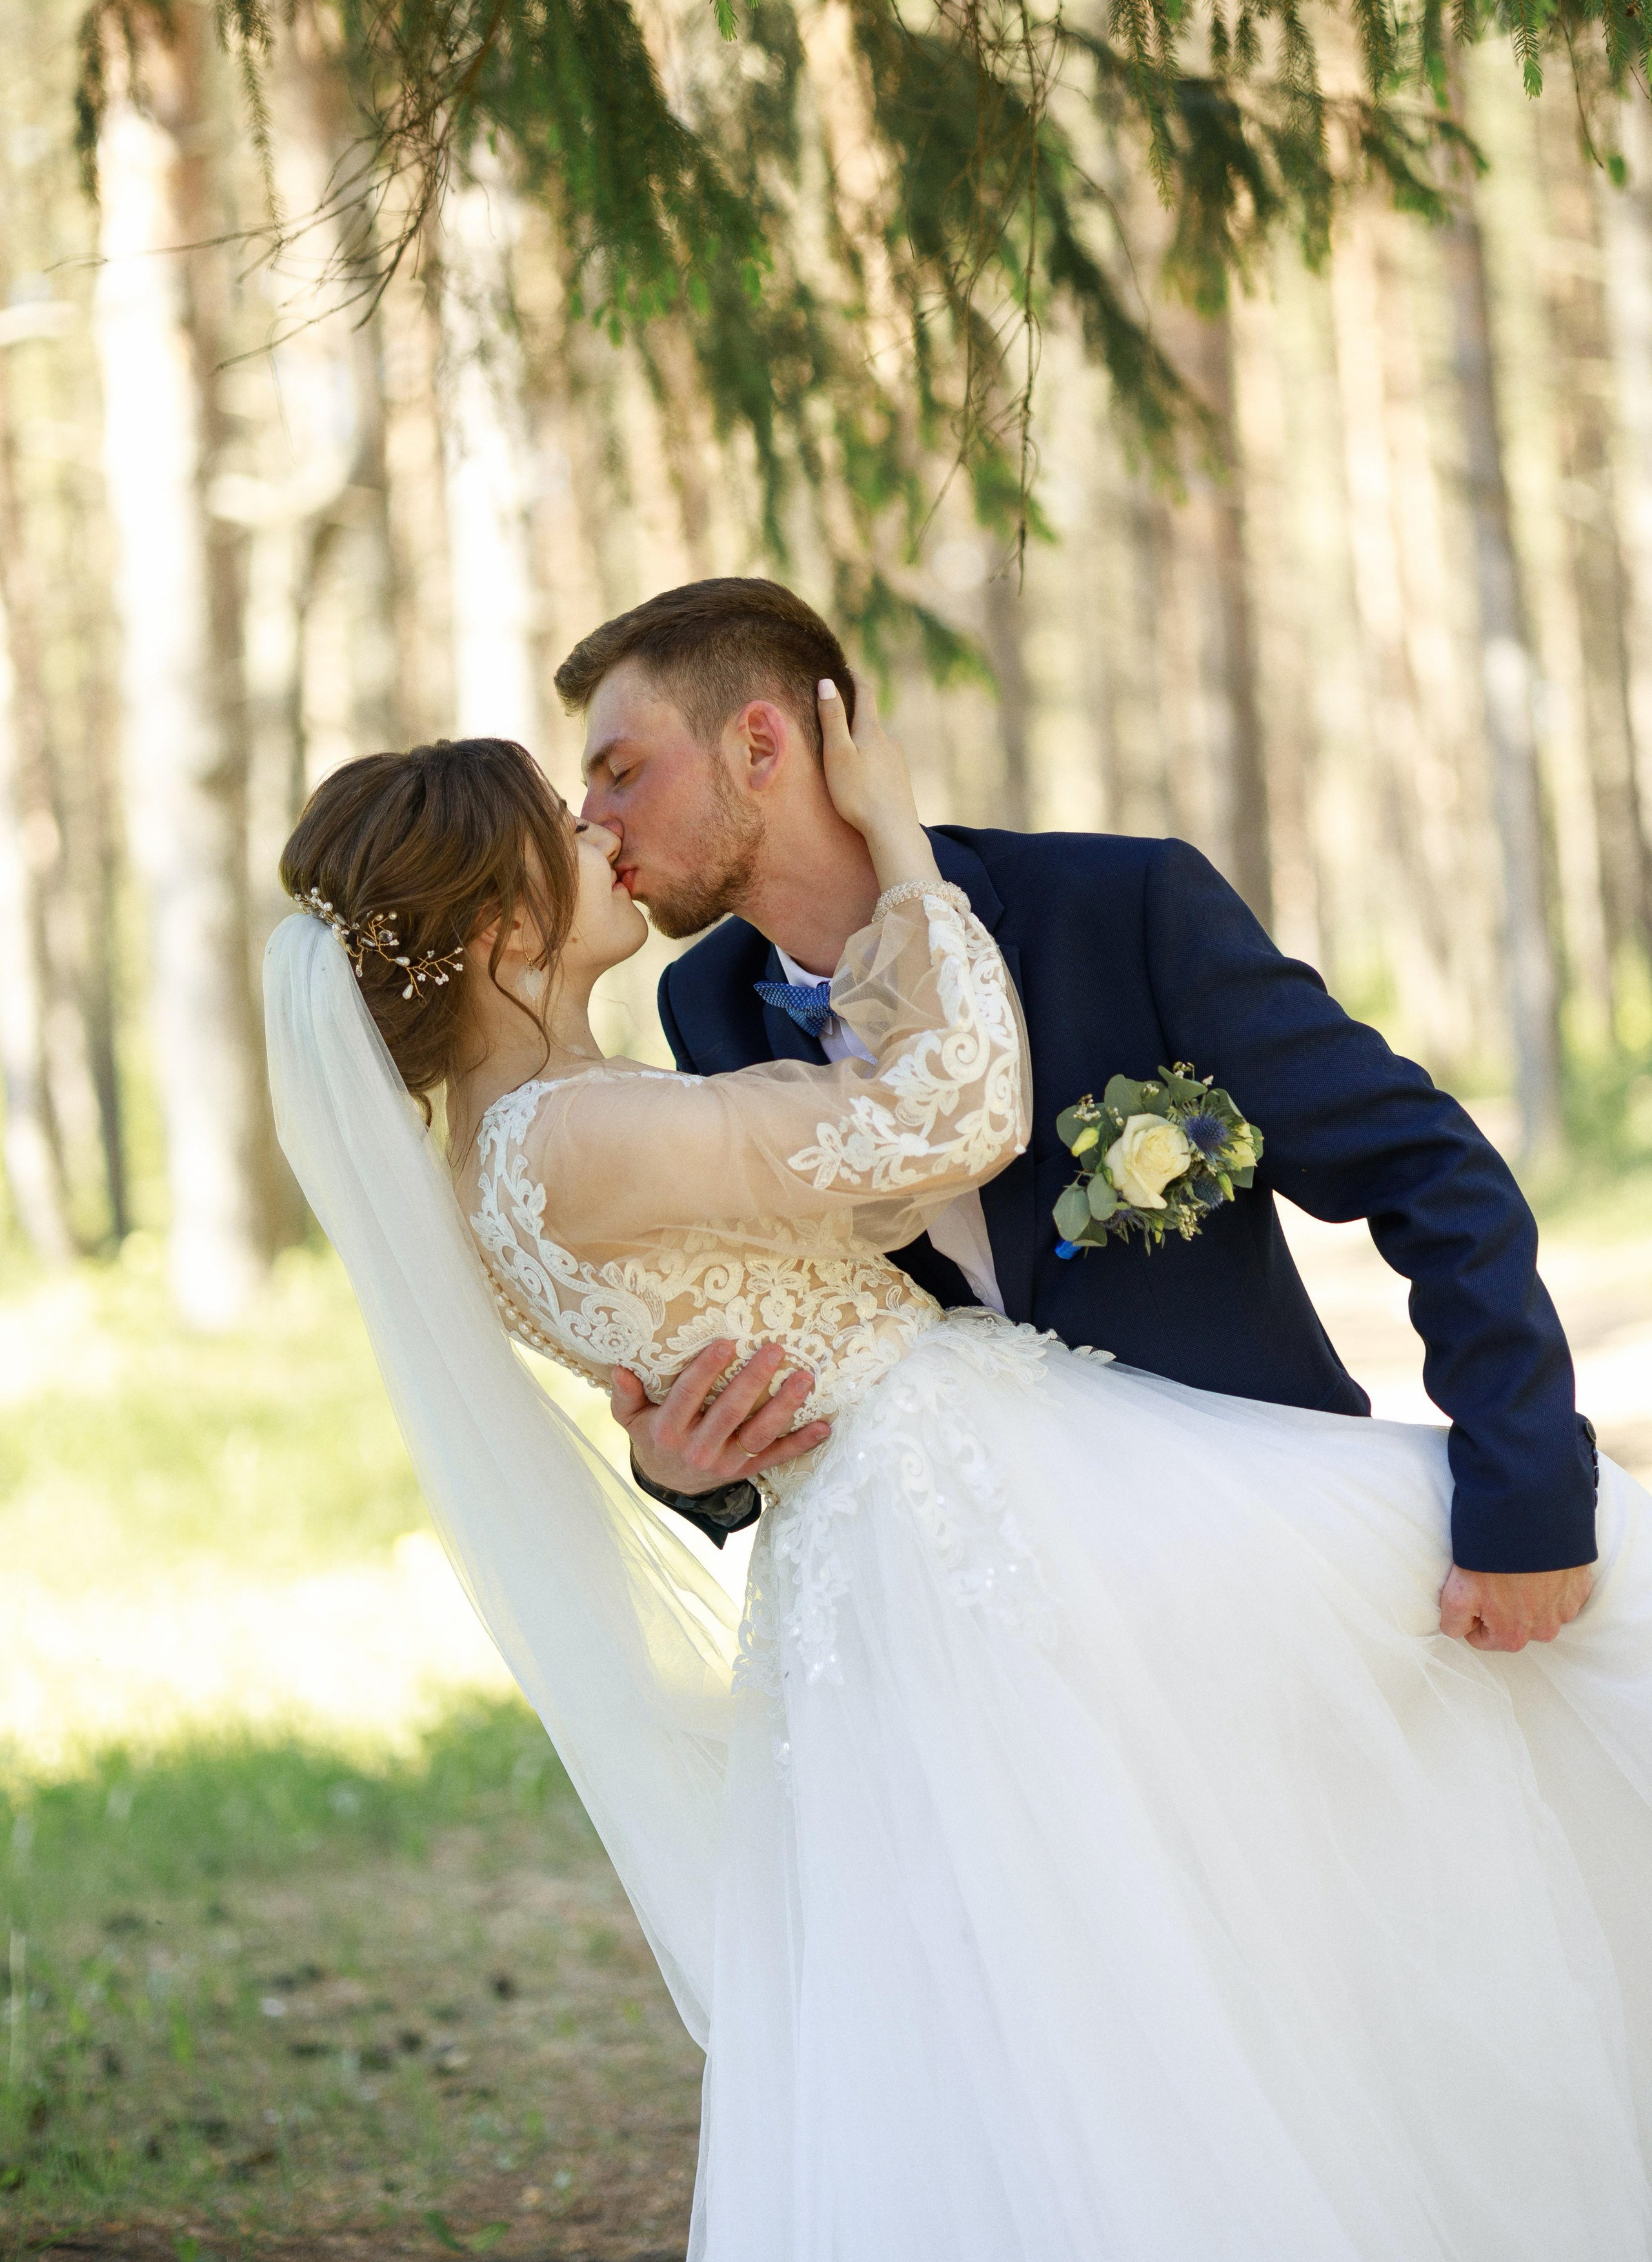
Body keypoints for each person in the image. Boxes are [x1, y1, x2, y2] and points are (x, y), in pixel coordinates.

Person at [265, 720, 1652, 2259]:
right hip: (971, 1518)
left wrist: (674, 1451)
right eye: (559, 820)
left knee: (1080, 1971)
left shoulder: (502, 1162)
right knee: (1124, 1963)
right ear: (501, 930)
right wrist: (910, 854)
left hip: (904, 1554)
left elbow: (709, 1338)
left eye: (606, 781)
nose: (596, 831)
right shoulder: (589, 1119)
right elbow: (952, 1118)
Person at [555, 578, 1598, 1655]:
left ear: (760, 746)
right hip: (986, 1630)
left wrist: (1524, 1497)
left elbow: (1426, 1167)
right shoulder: (709, 1007)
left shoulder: (1120, 907)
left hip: (1261, 1554)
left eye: (621, 771)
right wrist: (687, 1470)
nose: (592, 819)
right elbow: (775, 1330)